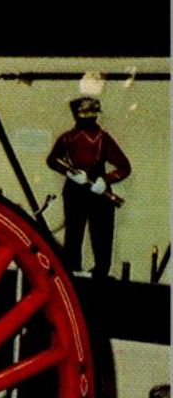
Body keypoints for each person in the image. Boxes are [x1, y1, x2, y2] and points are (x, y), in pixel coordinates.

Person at [46, 94, 131, 279]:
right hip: (75, 187)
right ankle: (72, 269)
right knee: (74, 232)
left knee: (102, 234)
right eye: (84, 114)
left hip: (98, 189)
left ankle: (100, 273)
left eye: (91, 114)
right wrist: (68, 173)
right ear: (76, 115)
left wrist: (105, 180)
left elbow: (125, 167)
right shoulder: (67, 138)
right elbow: (52, 160)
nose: (88, 118)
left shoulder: (104, 138)